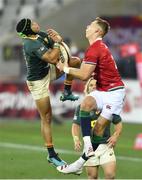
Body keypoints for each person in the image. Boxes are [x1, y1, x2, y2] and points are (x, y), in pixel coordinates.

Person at [56, 17, 125, 172]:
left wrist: (65, 68)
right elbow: (85, 72)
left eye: (90, 25)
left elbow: (85, 75)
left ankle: (78, 164)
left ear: (97, 31)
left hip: (114, 93)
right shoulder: (96, 47)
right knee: (86, 104)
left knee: (99, 130)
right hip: (103, 90)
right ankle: (88, 147)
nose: (87, 26)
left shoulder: (96, 48)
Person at [16, 18, 81, 167]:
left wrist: (59, 42)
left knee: (75, 62)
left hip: (47, 71)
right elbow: (52, 57)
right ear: (28, 30)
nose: (36, 24)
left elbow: (57, 50)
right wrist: (58, 44)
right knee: (47, 117)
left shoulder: (40, 35)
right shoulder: (29, 44)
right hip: (37, 82)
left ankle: (67, 91)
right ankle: (51, 155)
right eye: (32, 24)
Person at [70, 78, 122, 179]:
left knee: (110, 175)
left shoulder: (108, 105)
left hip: (105, 145)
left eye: (96, 85)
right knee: (92, 176)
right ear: (87, 89)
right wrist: (76, 139)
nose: (94, 87)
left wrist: (115, 135)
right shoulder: (82, 107)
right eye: (91, 85)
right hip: (90, 146)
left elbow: (118, 123)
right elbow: (76, 125)